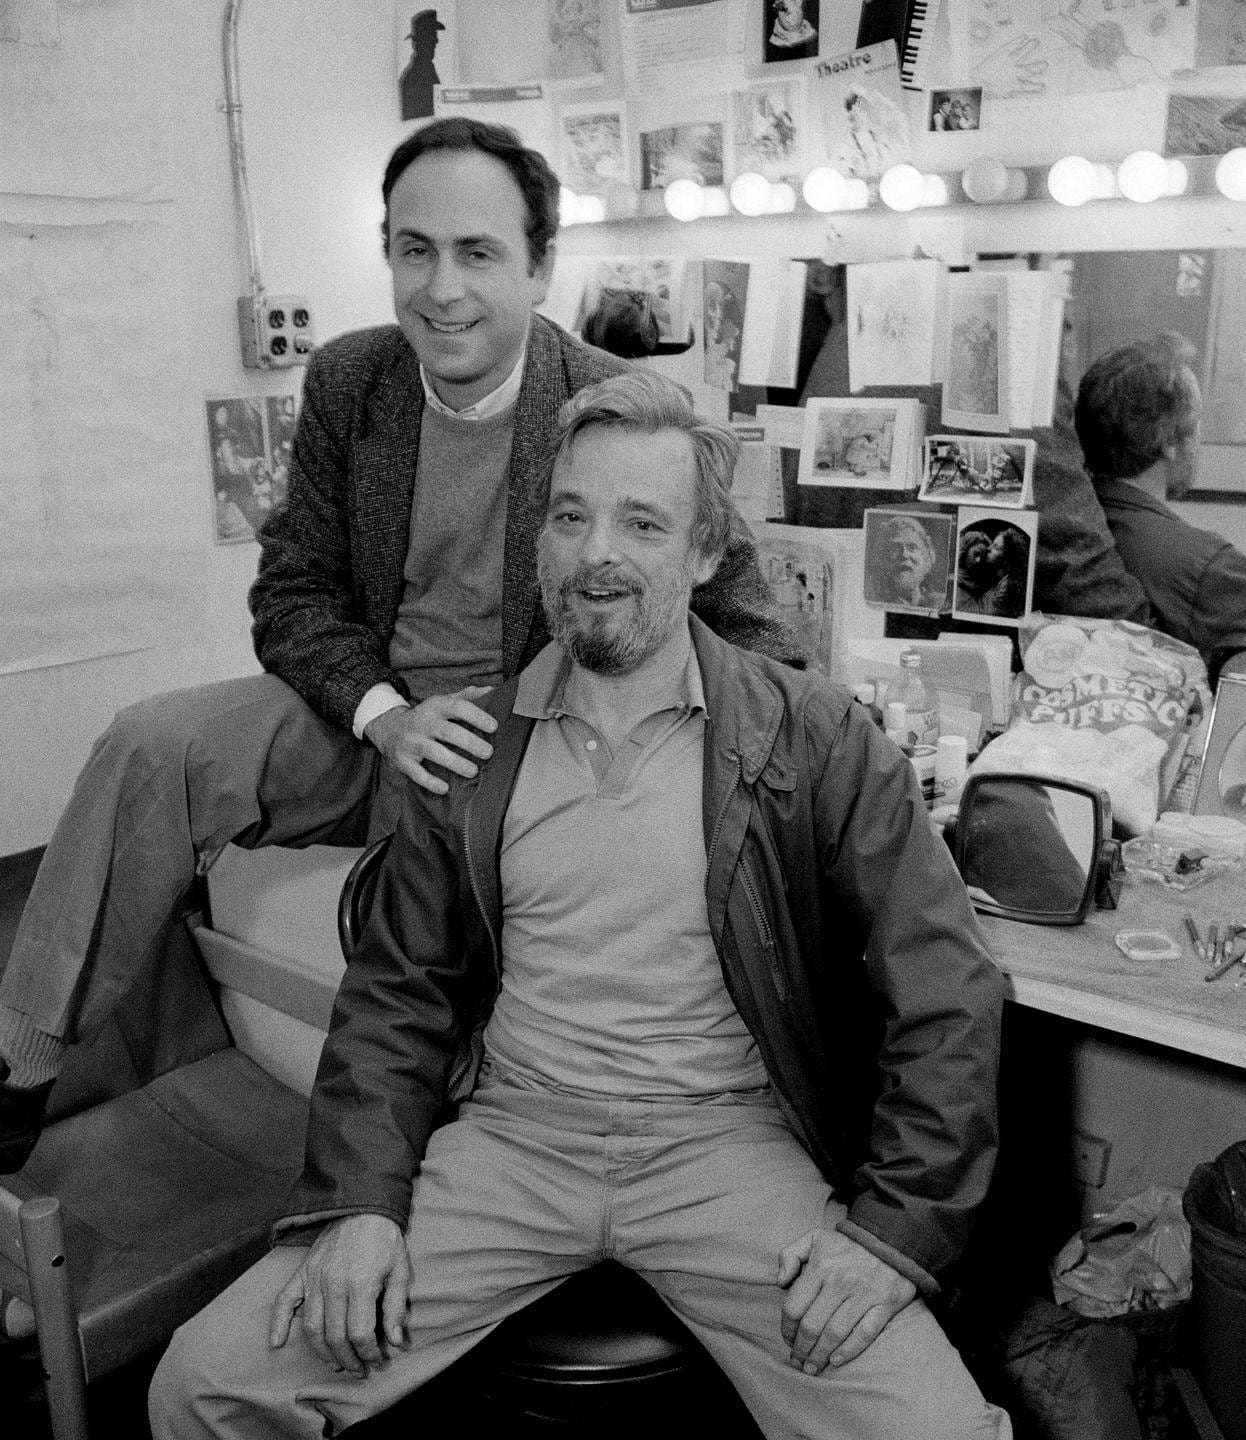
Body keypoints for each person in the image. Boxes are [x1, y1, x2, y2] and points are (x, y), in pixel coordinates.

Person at [149, 371, 1010, 1440]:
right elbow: (392, 998)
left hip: (725, 1148)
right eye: (570, 515)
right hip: (514, 1143)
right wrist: (360, 1202)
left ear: (702, 556)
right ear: (541, 542)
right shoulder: (464, 749)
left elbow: (950, 991)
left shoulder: (812, 738)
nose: (596, 549)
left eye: (641, 522)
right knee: (201, 1383)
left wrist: (894, 1232)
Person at [0, 120, 802, 1173]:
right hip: (371, 710)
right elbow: (294, 594)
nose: (441, 288)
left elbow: (756, 638)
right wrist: (383, 717)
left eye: (477, 253)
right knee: (151, 742)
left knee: (452, 900)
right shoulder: (350, 380)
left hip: (525, 730)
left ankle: (445, 1179)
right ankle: (19, 1075)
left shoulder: (618, 409)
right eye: (413, 250)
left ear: (539, 266)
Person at [1075, 331, 1246, 683]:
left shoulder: (1066, 527)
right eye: (1196, 424)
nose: (1198, 440)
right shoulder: (1210, 567)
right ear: (1169, 440)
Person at [872, 513, 942, 609]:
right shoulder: (874, 601)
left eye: (912, 547)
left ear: (926, 556)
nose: (904, 554)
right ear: (883, 557)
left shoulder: (940, 604)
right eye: (895, 548)